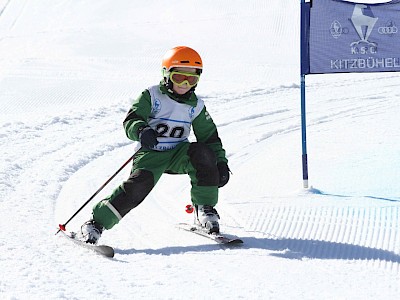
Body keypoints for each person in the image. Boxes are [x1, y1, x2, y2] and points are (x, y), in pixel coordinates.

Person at [78, 46, 230, 244]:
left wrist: (220, 162)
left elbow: (209, 136)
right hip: (151, 154)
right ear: (166, 75)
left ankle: (204, 209)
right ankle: (95, 223)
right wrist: (141, 131)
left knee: (203, 153)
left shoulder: (196, 106)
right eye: (179, 78)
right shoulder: (152, 96)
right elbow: (131, 120)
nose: (185, 84)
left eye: (191, 79)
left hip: (178, 154)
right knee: (138, 188)